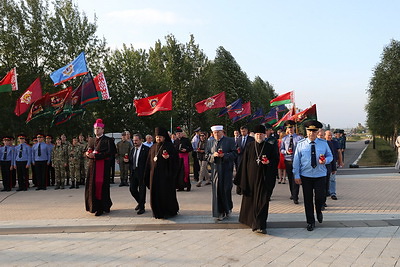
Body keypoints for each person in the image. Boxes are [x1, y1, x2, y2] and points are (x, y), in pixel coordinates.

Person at [234, 125, 279, 234]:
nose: (259, 136)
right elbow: (244, 163)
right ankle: (250, 221)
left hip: (264, 179)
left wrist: (269, 163)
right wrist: (242, 179)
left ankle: (260, 225)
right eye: (257, 134)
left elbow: (276, 160)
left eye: (261, 134)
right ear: (254, 135)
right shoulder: (249, 146)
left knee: (262, 201)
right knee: (250, 201)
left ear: (265, 135)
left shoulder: (270, 146)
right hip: (251, 179)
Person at [293, 120, 333, 231]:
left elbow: (330, 156)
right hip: (306, 175)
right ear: (306, 131)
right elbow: (296, 161)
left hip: (320, 174)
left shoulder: (323, 143)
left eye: (314, 131)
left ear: (317, 132)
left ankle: (319, 210)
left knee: (320, 197)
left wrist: (326, 160)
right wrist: (296, 175)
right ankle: (310, 221)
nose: (312, 133)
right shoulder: (301, 144)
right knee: (308, 199)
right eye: (310, 131)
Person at [144, 127, 179, 219]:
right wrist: (147, 174)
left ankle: (168, 211)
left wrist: (169, 158)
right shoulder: (153, 147)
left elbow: (176, 161)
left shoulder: (169, 146)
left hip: (166, 176)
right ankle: (156, 211)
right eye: (157, 137)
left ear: (164, 137)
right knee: (155, 193)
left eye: (160, 137)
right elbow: (148, 162)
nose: (158, 139)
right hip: (154, 176)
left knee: (165, 193)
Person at [85, 119, 117, 216]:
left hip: (102, 167)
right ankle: (92, 206)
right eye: (95, 128)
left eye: (98, 128)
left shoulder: (108, 140)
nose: (96, 130)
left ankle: (102, 207)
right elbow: (88, 150)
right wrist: (87, 154)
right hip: (92, 167)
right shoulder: (91, 140)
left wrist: (96, 156)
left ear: (103, 130)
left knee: (101, 186)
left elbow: (110, 154)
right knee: (92, 186)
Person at [206, 125, 237, 221]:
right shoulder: (210, 142)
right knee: (217, 190)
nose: (216, 134)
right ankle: (219, 212)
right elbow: (206, 155)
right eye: (215, 133)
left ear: (222, 132)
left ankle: (228, 208)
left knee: (226, 189)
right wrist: (213, 156)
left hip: (226, 169)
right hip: (215, 170)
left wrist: (224, 155)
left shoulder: (230, 141)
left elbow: (235, 154)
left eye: (218, 132)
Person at [280, 120, 304, 204]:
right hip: (288, 160)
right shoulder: (284, 139)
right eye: (288, 128)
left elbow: (302, 149)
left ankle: (295, 196)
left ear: (294, 128)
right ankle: (293, 193)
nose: (290, 129)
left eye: (291, 127)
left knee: (296, 177)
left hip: (297, 160)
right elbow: (281, 150)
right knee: (290, 178)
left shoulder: (299, 138)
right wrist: (286, 152)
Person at [129, 133, 149, 215]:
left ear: (141, 140)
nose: (135, 142)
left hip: (142, 173)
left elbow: (148, 162)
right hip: (133, 172)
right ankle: (140, 202)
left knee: (142, 190)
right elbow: (131, 160)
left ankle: (142, 207)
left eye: (136, 140)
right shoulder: (132, 149)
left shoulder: (146, 149)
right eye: (133, 140)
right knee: (132, 189)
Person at [174, 127, 193, 191]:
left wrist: (186, 149)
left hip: (185, 156)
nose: (178, 134)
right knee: (179, 172)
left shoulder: (186, 140)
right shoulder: (175, 141)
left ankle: (188, 186)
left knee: (185, 171)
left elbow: (191, 148)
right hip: (178, 157)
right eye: (177, 133)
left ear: (182, 134)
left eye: (180, 133)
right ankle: (180, 186)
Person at [325, 130, 341, 200]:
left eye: (331, 135)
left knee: (332, 179)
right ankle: (326, 192)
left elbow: (339, 152)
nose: (330, 137)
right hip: (324, 164)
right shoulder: (322, 143)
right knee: (325, 180)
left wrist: (341, 161)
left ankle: (333, 193)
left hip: (333, 162)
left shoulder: (334, 143)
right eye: (328, 135)